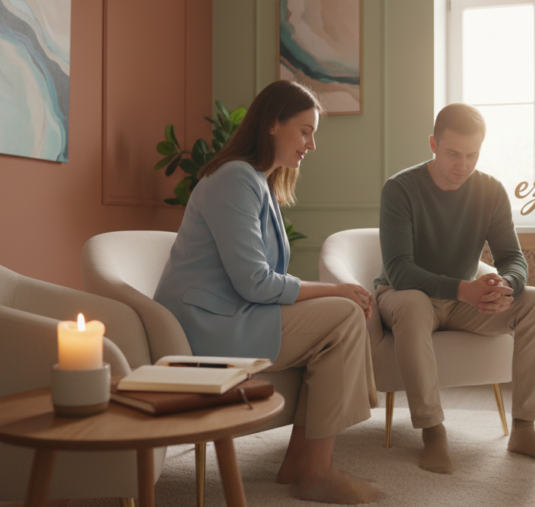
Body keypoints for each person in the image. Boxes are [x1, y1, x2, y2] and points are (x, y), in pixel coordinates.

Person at [154, 80, 381, 504]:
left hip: (232, 314)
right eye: (305, 130)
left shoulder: (258, 180)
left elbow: (255, 281)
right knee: (344, 314)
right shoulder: (235, 179)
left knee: (338, 315)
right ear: (274, 123)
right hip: (207, 327)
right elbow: (255, 282)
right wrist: (334, 290)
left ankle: (301, 463)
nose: (311, 145)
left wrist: (332, 293)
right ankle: (315, 472)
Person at [373, 103, 535, 474]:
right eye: (452, 153)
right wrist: (465, 289)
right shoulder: (400, 189)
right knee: (415, 303)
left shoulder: (490, 191)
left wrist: (505, 287)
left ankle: (525, 430)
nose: (462, 165)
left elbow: (513, 257)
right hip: (406, 297)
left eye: (472, 155)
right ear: (433, 143)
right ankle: (433, 432)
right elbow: (400, 271)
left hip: (464, 301)